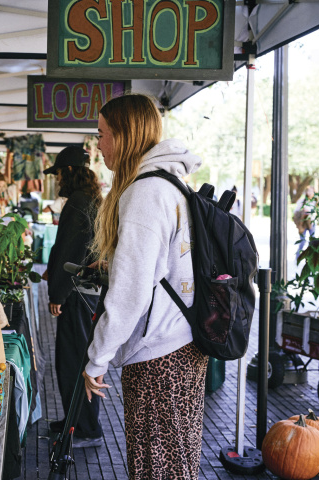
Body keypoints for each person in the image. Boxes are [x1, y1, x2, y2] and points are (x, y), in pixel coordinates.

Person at [83, 94, 208, 479]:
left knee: (157, 467)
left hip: (159, 357)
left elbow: (131, 293)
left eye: (102, 134)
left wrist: (96, 359)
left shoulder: (144, 192)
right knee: (178, 460)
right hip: (184, 347)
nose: (98, 144)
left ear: (124, 136)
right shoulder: (171, 183)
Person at [43, 146, 103, 448]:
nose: (56, 179)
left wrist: (57, 293)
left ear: (67, 171)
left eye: (57, 173)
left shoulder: (79, 202)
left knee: (75, 362)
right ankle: (73, 421)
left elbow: (71, 249)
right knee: (75, 359)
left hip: (78, 294)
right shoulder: (88, 198)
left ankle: (87, 429)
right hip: (85, 293)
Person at [294, 185, 316, 260]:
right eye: (308, 191)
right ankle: (298, 257)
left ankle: (311, 258)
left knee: (312, 241)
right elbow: (296, 211)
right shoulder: (302, 201)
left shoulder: (315, 201)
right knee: (302, 241)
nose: (309, 192)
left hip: (312, 223)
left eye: (311, 191)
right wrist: (303, 211)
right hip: (303, 224)